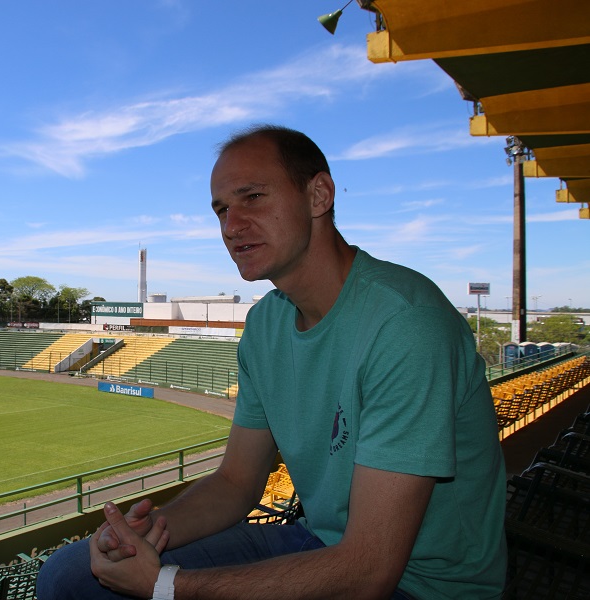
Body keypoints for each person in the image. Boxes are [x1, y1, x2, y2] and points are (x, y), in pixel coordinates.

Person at [36, 125, 507, 599]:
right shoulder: (265, 324)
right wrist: (149, 531)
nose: (231, 226)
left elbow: (369, 571)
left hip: (424, 586)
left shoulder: (406, 324)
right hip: (318, 542)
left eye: (253, 197)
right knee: (69, 575)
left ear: (318, 195)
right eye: (222, 210)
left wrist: (167, 587)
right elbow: (235, 482)